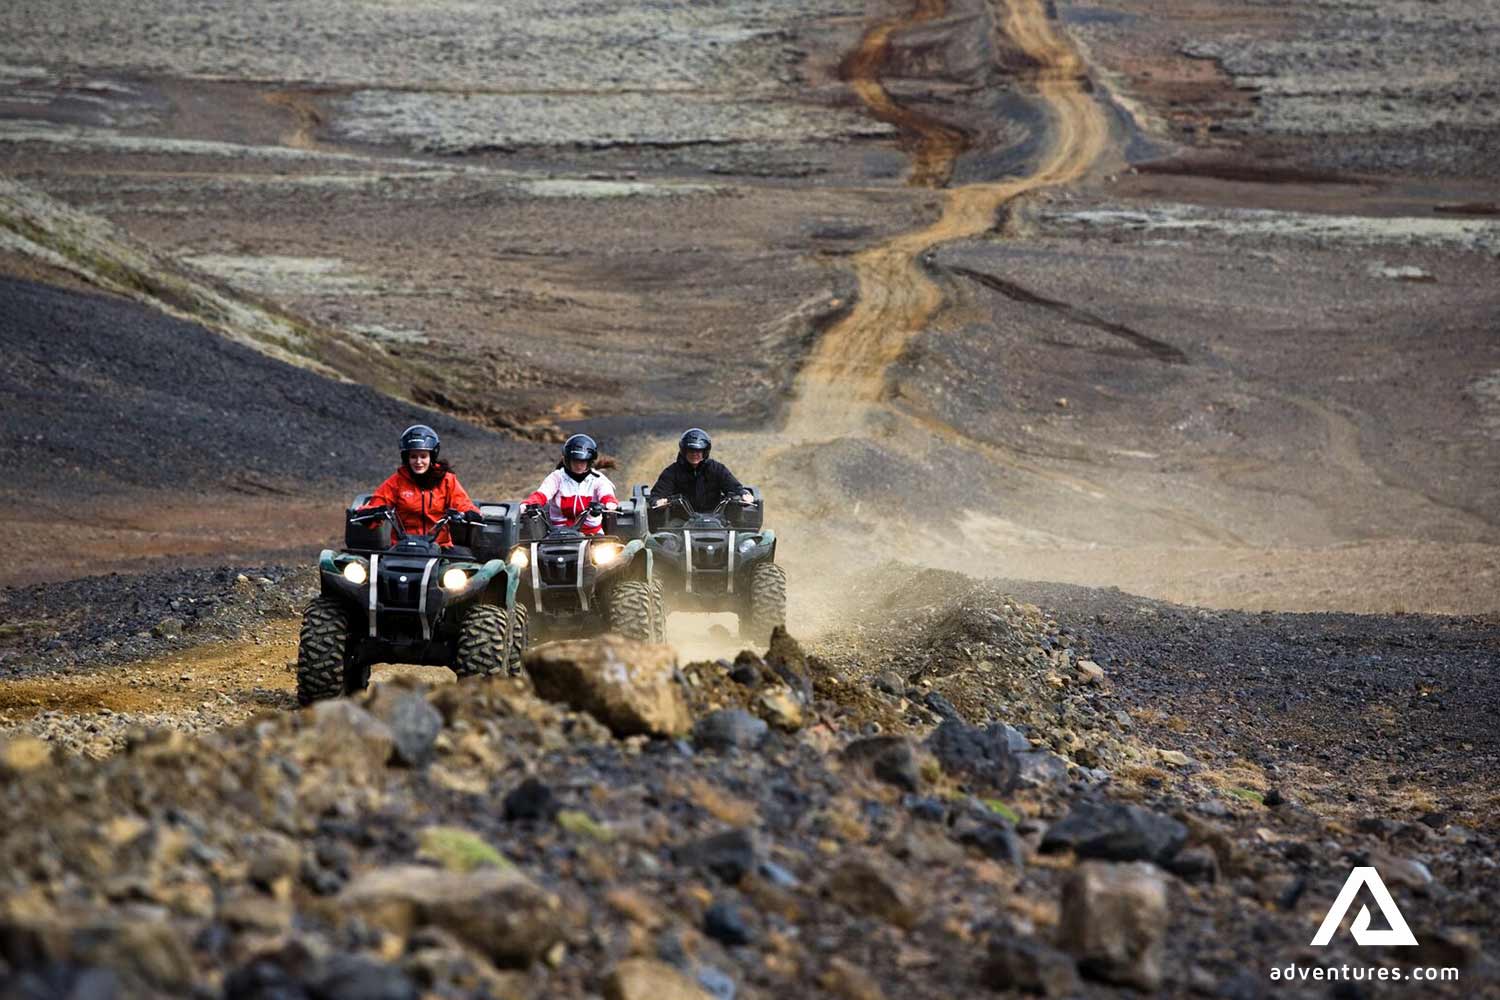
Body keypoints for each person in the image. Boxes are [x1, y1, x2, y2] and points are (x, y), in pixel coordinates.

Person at [362, 424, 480, 547]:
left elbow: (462, 502)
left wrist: (470, 513)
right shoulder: (396, 482)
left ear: (431, 457)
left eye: (423, 456)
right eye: (413, 456)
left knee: (463, 565)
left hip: (440, 547)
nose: (418, 462)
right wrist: (368, 513)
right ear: (406, 458)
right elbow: (377, 502)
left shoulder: (446, 480)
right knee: (369, 564)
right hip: (403, 548)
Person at [523, 433, 618, 536]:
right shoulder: (556, 477)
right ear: (567, 460)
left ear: (589, 461)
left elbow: (607, 495)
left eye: (582, 461)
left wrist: (609, 504)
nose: (578, 465)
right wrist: (528, 504)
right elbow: (542, 494)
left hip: (592, 535)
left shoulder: (598, 479)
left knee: (613, 550)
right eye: (575, 461)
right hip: (558, 535)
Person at [650, 427, 754, 512]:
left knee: (743, 536)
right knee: (665, 537)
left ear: (705, 452)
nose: (694, 454)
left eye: (698, 451)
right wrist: (659, 502)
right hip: (679, 523)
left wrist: (744, 495)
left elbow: (735, 488)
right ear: (684, 451)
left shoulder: (717, 469)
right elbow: (657, 495)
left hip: (716, 521)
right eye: (691, 451)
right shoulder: (672, 472)